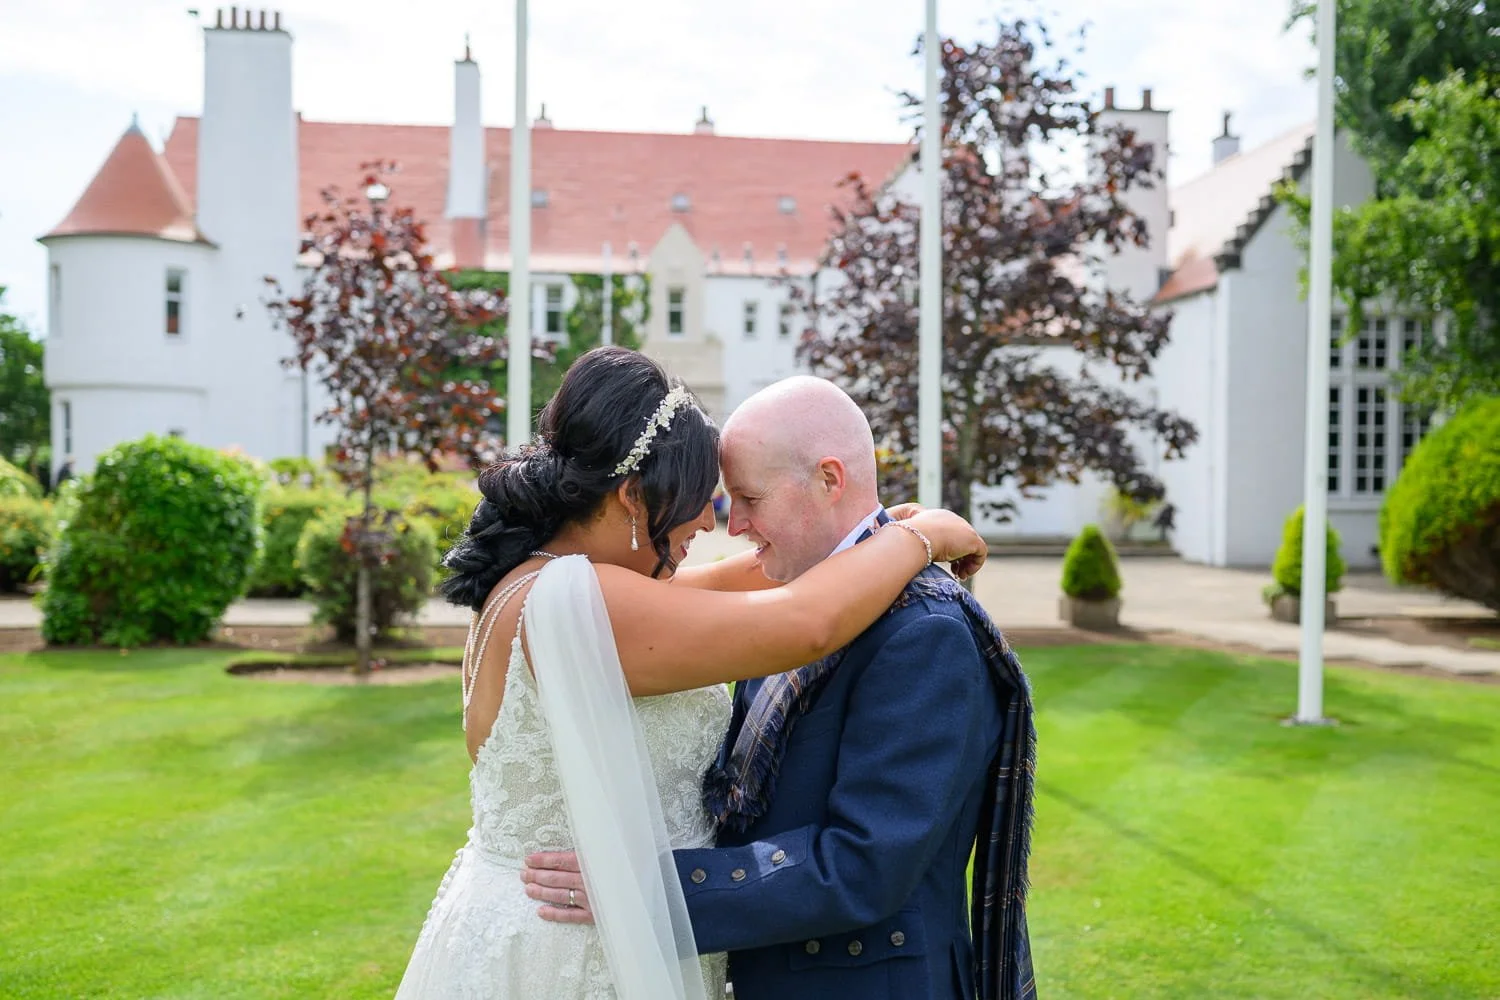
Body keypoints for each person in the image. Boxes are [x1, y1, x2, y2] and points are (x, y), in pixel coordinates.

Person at [393, 349, 989, 999]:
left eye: (740, 500)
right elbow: (806, 620)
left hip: (552, 924)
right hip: (577, 947)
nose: (714, 525)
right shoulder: (583, 604)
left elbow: (768, 571)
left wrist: (875, 528)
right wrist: (923, 536)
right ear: (631, 496)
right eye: (702, 500)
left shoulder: (543, 584)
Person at [521, 376, 1038, 1000]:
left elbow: (864, 865)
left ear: (829, 479)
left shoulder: (924, 633)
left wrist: (649, 893)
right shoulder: (786, 601)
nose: (732, 524)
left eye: (748, 498)